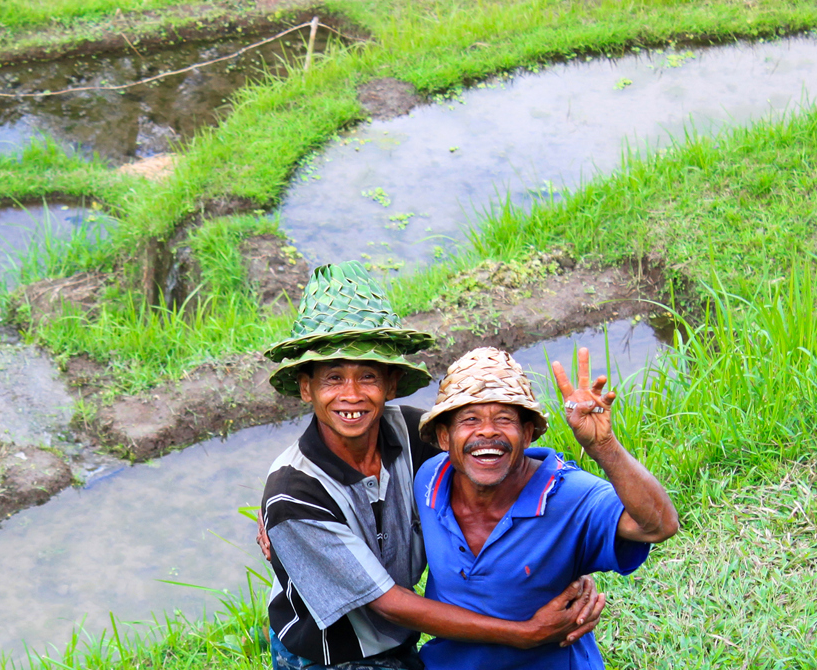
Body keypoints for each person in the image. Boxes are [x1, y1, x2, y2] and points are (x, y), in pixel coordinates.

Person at [256, 262, 605, 669]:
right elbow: (389, 604)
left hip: (399, 634)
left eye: (367, 376)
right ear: (306, 388)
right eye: (333, 378)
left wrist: (563, 560)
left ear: (390, 384)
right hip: (331, 653)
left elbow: (500, 476)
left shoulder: (411, 433)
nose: (351, 395)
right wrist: (524, 633)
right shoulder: (294, 495)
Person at [412, 347, 680, 669]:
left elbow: (659, 525)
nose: (487, 431)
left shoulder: (569, 495)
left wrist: (603, 446)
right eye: (470, 419)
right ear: (444, 437)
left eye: (504, 419)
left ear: (527, 434)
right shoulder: (430, 480)